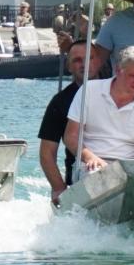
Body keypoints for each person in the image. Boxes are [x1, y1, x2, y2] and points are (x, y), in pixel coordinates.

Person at [64, 46, 134, 173]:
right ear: (118, 71)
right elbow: (70, 136)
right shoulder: (88, 90)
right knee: (96, 174)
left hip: (129, 168)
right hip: (90, 164)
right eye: (133, 76)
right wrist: (90, 158)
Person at [38, 38, 94, 205]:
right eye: (77, 60)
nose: (84, 64)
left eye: (89, 58)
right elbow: (47, 152)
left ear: (99, 61)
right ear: (69, 67)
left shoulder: (119, 93)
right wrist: (58, 188)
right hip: (79, 177)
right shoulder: (60, 102)